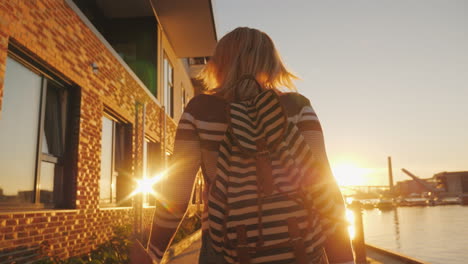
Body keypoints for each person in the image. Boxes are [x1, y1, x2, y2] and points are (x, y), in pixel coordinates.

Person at [145, 27, 354, 264]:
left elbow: (177, 192)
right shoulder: (298, 107)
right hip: (301, 246)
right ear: (272, 63)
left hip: (224, 248)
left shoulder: (199, 110)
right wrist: (344, 259)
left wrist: (153, 253)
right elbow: (324, 187)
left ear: (219, 63)